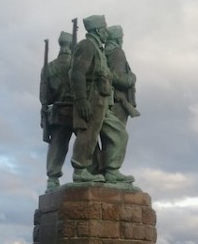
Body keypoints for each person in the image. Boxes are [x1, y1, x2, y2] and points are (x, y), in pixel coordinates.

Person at [70, 15, 134, 184]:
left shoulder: (97, 49)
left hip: (102, 101)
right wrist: (82, 99)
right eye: (105, 29)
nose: (107, 33)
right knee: (88, 134)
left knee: (119, 134)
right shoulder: (87, 46)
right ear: (98, 30)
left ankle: (112, 171)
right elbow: (76, 73)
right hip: (90, 99)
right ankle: (80, 170)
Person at [39, 31, 74, 191]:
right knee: (88, 144)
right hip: (77, 111)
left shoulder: (49, 67)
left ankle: (52, 178)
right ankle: (87, 171)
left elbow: (45, 97)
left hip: (58, 112)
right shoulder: (77, 63)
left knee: (57, 145)